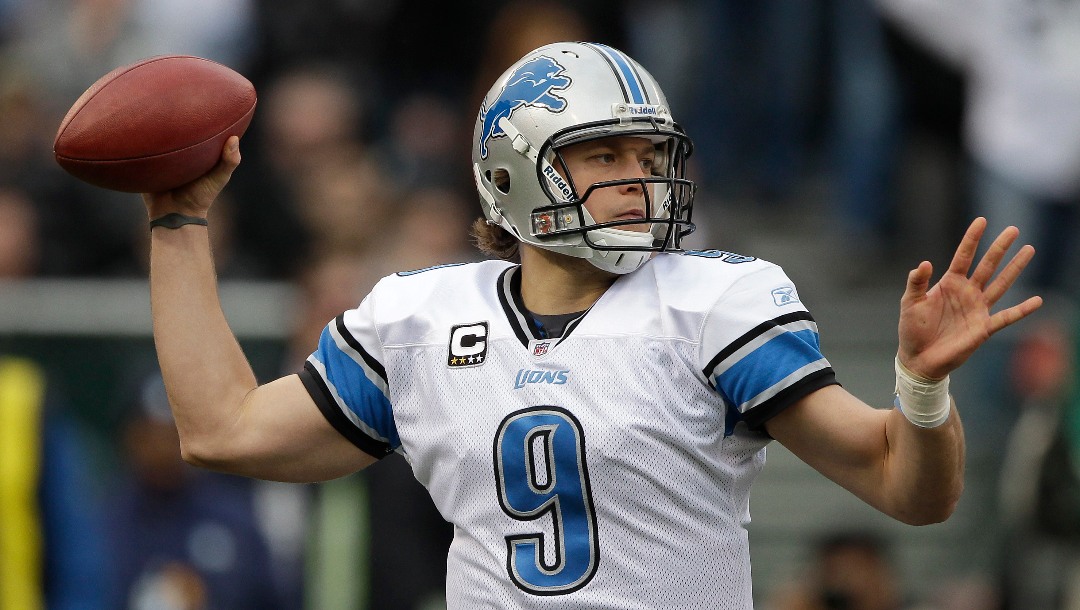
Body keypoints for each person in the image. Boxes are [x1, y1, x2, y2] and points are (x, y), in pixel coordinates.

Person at [139, 41, 1042, 608]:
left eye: (649, 154)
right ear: (512, 176)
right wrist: (178, 223)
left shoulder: (710, 304)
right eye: (603, 154)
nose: (638, 178)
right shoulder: (422, 319)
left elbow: (909, 490)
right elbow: (223, 430)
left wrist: (921, 388)